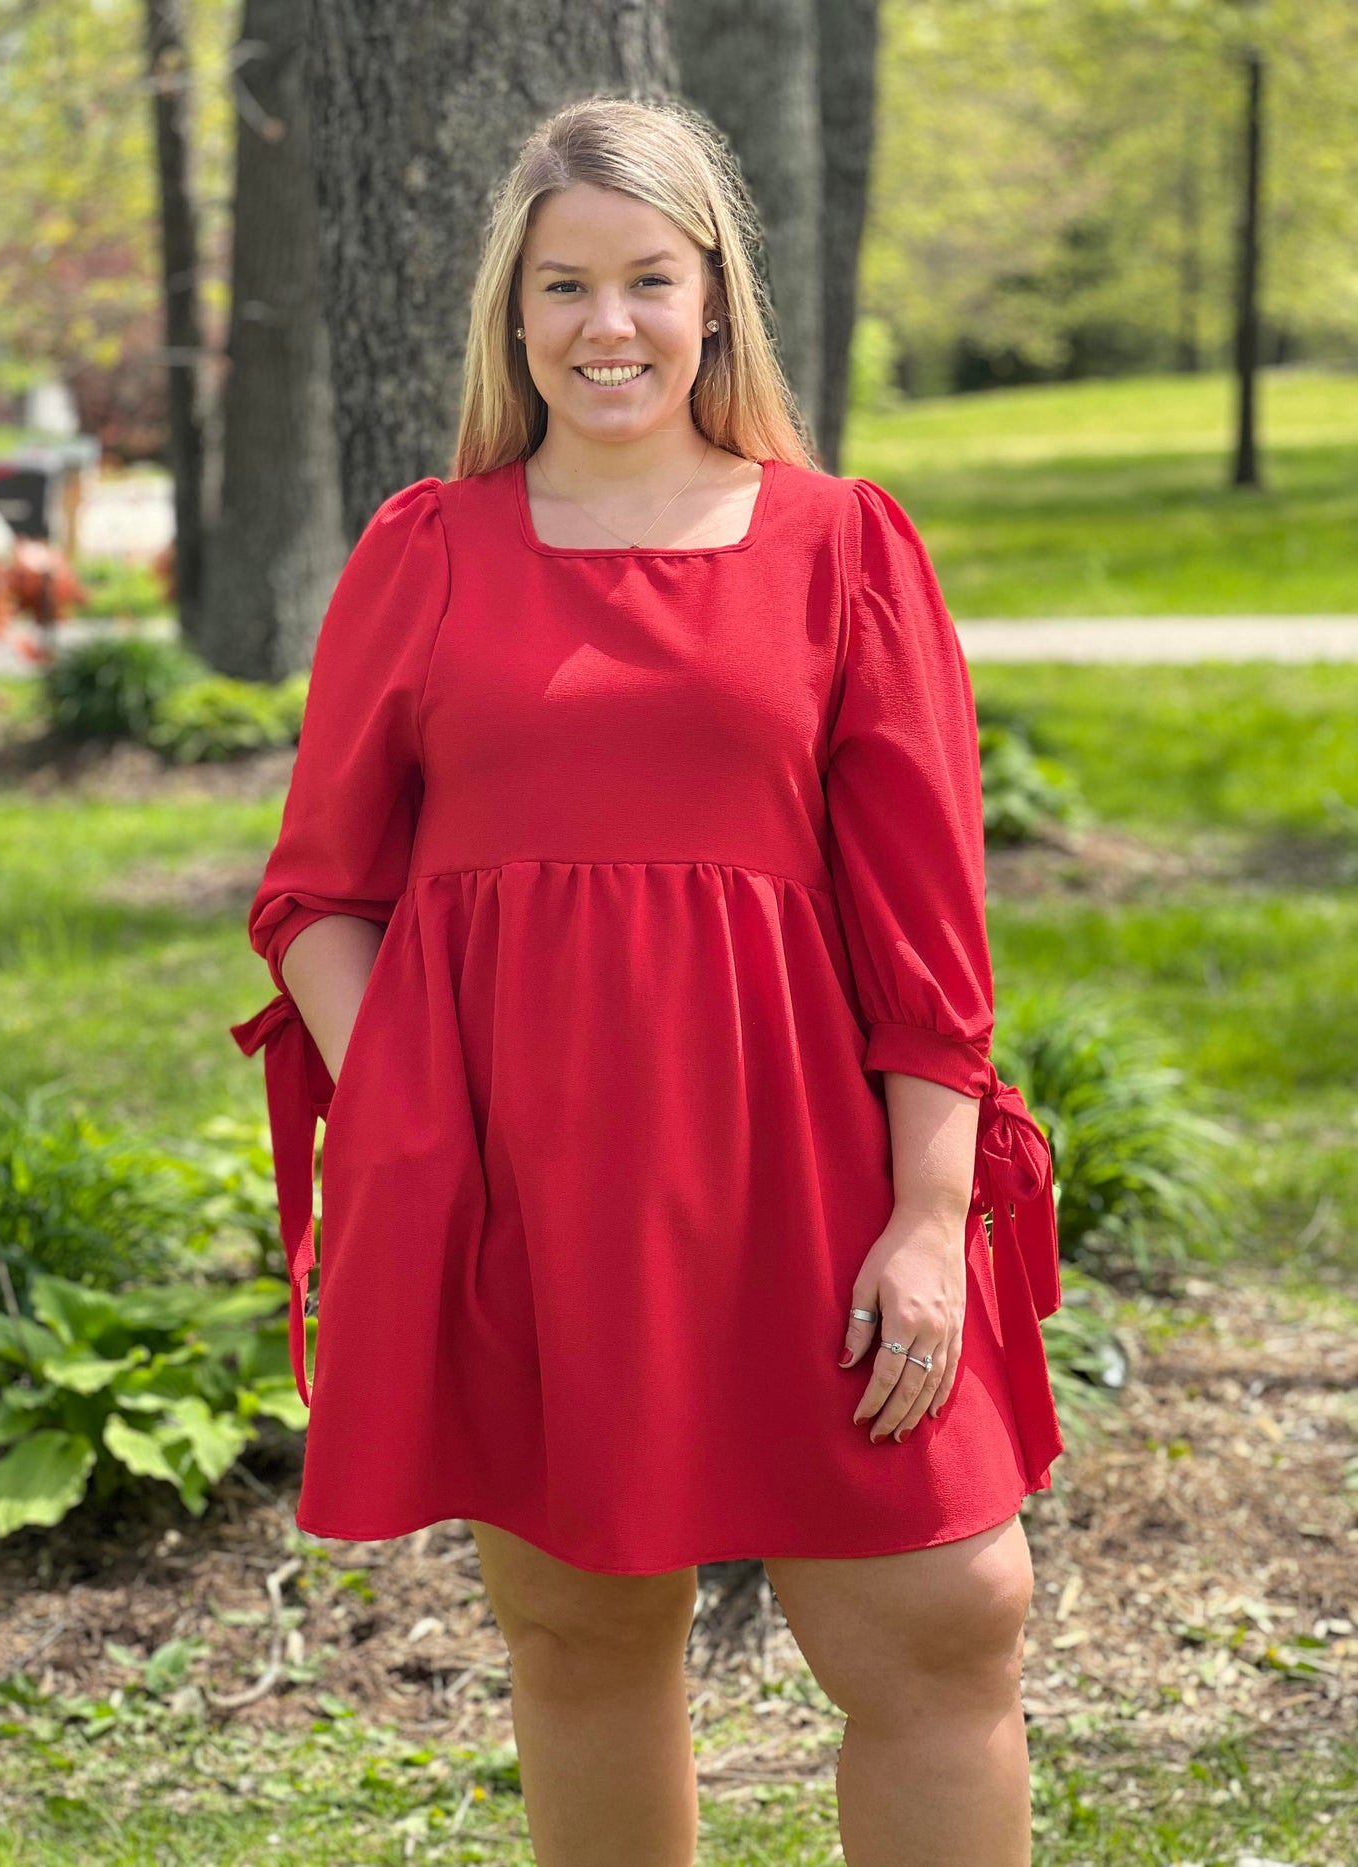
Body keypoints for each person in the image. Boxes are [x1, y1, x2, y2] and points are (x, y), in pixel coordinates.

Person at [232, 92, 1063, 1867]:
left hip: (809, 1173)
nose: (606, 326)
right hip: (535, 1186)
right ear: (511, 316)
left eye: (647, 281)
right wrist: (420, 1125)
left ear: (714, 300)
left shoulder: (841, 547)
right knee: (588, 1637)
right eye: (562, 288)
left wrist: (930, 1218)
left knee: (941, 1617)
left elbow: (929, 933)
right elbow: (318, 893)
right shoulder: (423, 553)